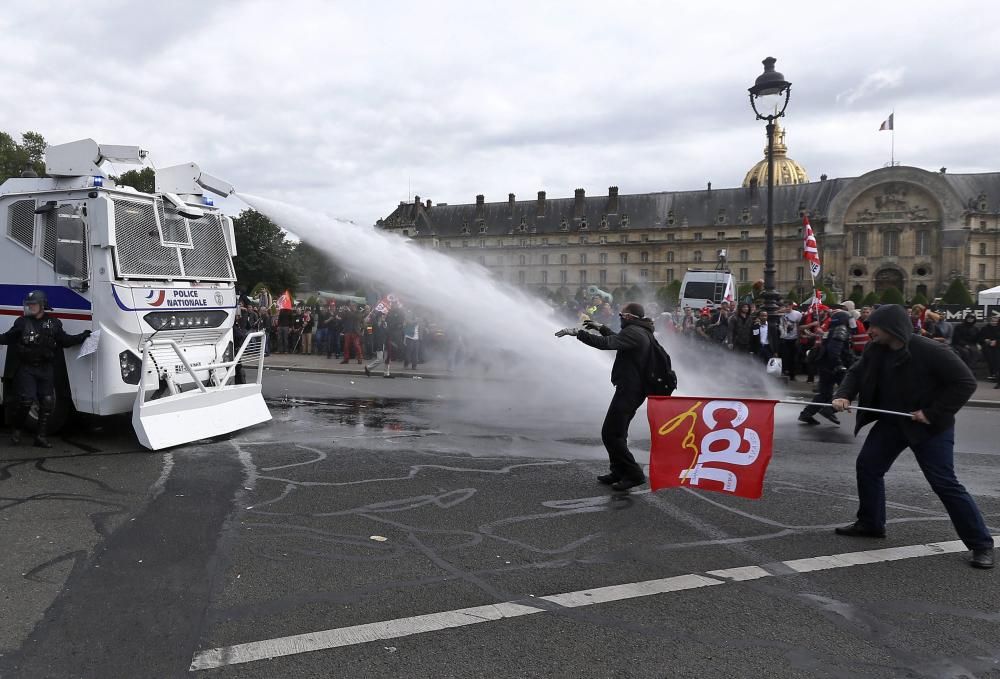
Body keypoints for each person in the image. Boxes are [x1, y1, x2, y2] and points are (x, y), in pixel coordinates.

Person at [831, 304, 994, 569]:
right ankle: (871, 524)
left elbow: (965, 383)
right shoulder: (875, 349)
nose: (868, 330)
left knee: (944, 483)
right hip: (892, 423)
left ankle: (981, 544)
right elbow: (856, 372)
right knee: (868, 467)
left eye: (874, 326)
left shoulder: (931, 350)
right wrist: (844, 394)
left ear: (891, 328)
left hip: (929, 426)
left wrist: (932, 413)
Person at [556, 302, 655, 492]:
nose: (619, 316)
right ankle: (618, 471)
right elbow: (618, 340)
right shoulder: (639, 330)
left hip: (631, 390)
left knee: (610, 434)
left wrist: (579, 333)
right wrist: (601, 328)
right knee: (618, 433)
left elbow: (608, 344)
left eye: (621, 314)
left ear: (629, 317)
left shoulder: (635, 332)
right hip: (632, 388)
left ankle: (633, 474)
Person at [0, 290, 90, 447]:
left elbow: (65, 341)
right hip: (26, 368)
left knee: (47, 401)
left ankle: (40, 437)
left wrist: (83, 336)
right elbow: (8, 337)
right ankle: (17, 430)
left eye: (33, 304)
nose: (30, 307)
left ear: (42, 305)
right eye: (28, 304)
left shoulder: (54, 323)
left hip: (46, 368)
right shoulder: (21, 322)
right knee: (26, 401)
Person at [798, 310, 853, 426]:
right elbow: (834, 350)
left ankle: (806, 414)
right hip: (835, 367)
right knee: (848, 391)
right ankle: (830, 409)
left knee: (824, 393)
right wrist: (839, 365)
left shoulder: (831, 330)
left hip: (825, 366)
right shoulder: (841, 330)